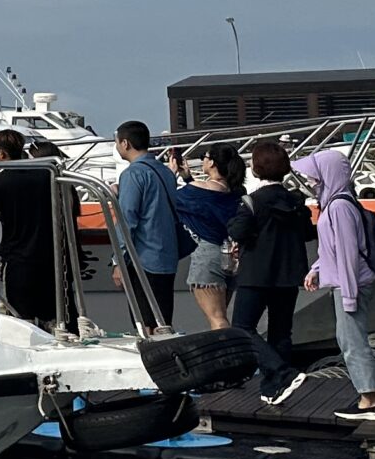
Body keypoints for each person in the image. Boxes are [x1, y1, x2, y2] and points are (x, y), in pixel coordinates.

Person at [299, 150, 375, 421]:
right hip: (350, 281)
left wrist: (348, 295)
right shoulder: (341, 202)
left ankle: (368, 401)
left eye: (315, 175)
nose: (312, 180)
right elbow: (333, 249)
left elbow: (348, 253)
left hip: (351, 284)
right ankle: (374, 397)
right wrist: (316, 269)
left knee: (351, 340)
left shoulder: (338, 207)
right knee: (350, 338)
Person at [226, 140, 310, 403]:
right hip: (288, 273)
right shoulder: (296, 201)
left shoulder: (253, 202)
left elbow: (237, 231)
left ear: (257, 168)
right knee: (281, 331)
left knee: (242, 328)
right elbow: (307, 233)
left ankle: (282, 374)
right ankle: (274, 387)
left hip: (256, 274)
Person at [0, 129, 62, 327]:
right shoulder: (45, 176)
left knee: (22, 319)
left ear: (2, 153)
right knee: (49, 317)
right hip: (48, 257)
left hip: (16, 258)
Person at [110, 120, 183, 334]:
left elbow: (127, 220)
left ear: (125, 143)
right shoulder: (165, 172)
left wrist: (118, 261)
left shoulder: (133, 174)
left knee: (145, 324)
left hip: (143, 259)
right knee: (163, 321)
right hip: (166, 255)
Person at [173, 146, 246, 332]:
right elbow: (210, 199)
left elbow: (169, 198)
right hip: (230, 256)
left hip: (207, 256)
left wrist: (172, 173)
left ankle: (230, 357)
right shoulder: (237, 192)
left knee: (217, 319)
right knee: (221, 315)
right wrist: (188, 178)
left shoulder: (196, 191)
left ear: (212, 162)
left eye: (204, 157)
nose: (203, 160)